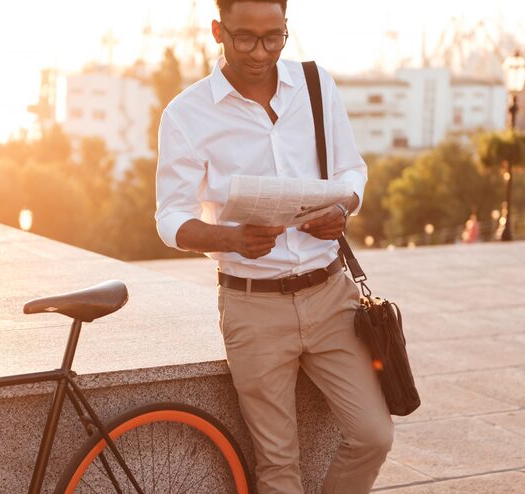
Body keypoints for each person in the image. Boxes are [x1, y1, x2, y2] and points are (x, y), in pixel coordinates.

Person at [155, 1, 393, 492]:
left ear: (287, 30)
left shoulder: (314, 84)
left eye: (273, 37)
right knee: (278, 464)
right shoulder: (186, 114)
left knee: (373, 435)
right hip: (251, 306)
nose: (260, 52)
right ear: (218, 30)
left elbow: (352, 170)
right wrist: (231, 238)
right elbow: (170, 218)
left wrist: (342, 208)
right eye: (245, 38)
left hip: (331, 297)